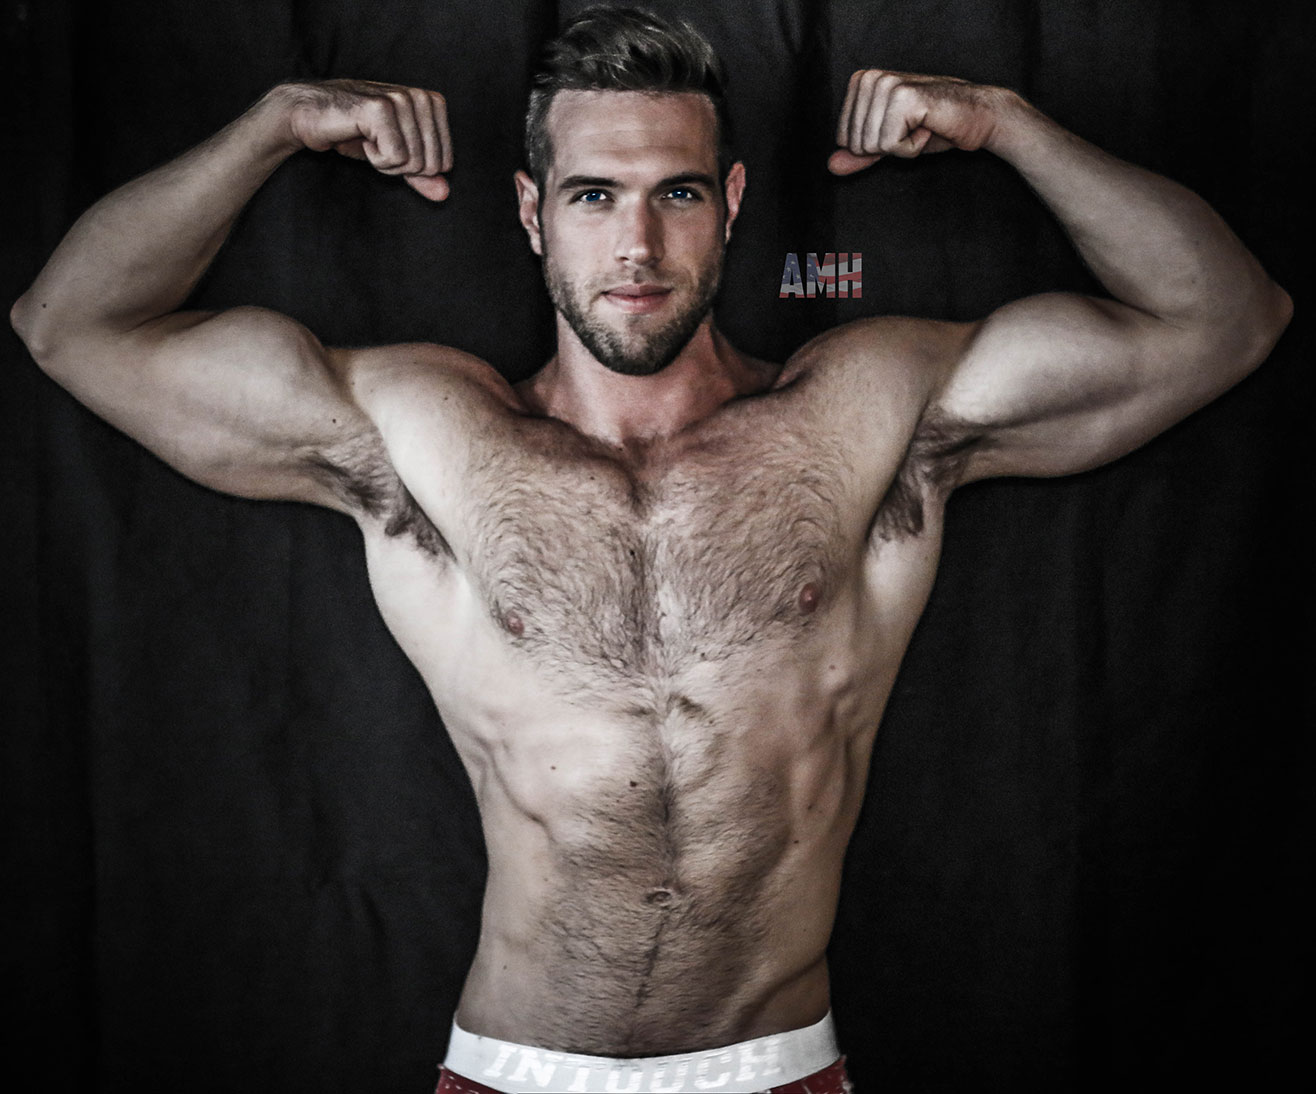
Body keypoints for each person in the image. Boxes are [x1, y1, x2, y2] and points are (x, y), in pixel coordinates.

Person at [9, 6, 1291, 1093]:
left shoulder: (867, 409)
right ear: (531, 212)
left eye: (676, 193)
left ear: (728, 204)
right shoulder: (420, 431)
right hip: (513, 1067)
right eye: (592, 196)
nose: (636, 246)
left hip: (775, 1064)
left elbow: (1225, 317)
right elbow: (70, 324)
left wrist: (1001, 122)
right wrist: (277, 123)